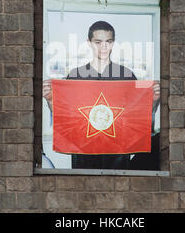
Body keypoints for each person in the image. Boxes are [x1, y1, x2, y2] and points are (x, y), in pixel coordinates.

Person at [43, 20, 160, 169]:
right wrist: (50, 100)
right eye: (98, 42)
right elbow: (65, 117)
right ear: (89, 43)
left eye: (108, 42)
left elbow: (139, 118)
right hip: (84, 151)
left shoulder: (126, 76)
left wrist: (154, 101)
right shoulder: (75, 76)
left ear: (113, 43)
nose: (104, 47)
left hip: (117, 153)